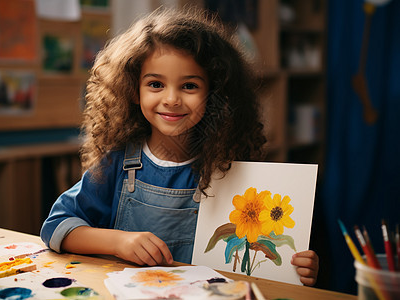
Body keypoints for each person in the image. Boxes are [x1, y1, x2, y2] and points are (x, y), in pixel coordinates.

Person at [40, 7, 319, 286]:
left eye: (189, 86)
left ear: (215, 94)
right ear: (133, 90)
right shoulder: (119, 161)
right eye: (156, 84)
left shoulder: (230, 166)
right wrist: (118, 242)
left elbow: (256, 258)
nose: (172, 99)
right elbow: (56, 227)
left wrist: (294, 266)